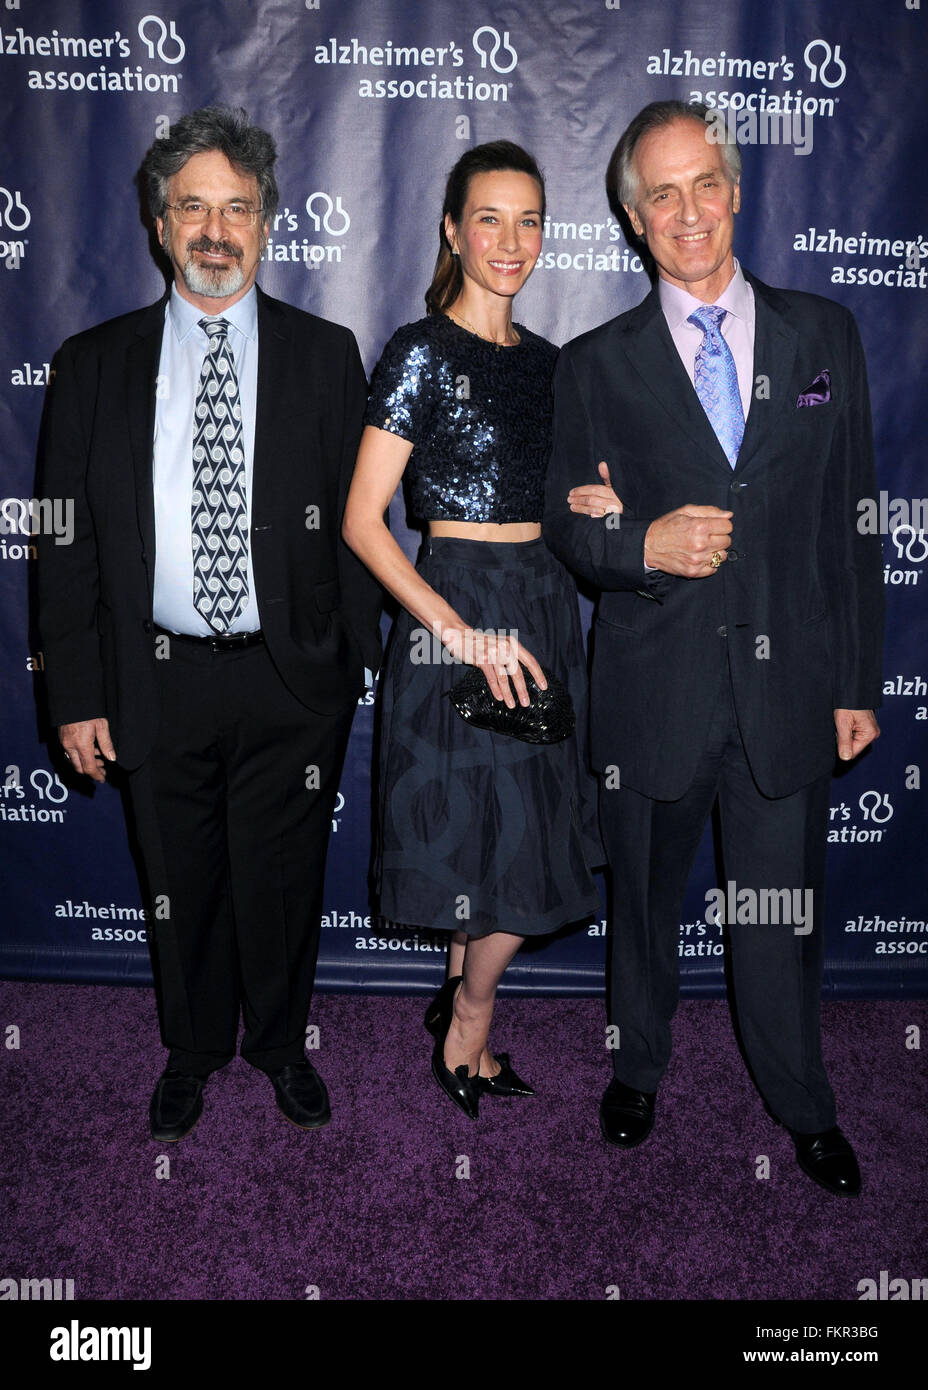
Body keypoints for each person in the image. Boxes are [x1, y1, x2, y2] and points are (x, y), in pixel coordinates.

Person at [544, 101, 884, 1194]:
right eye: (660, 195)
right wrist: (638, 537)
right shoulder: (595, 363)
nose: (686, 212)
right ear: (633, 219)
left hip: (787, 693)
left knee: (779, 920)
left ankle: (802, 1103)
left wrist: (857, 680)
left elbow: (851, 516)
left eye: (703, 184)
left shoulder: (820, 336)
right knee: (641, 907)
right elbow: (569, 522)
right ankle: (636, 1067)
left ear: (733, 191)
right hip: (654, 691)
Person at [36, 105, 382, 1142]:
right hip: (156, 673)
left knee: (282, 879)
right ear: (158, 223)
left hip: (288, 676)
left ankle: (280, 1043)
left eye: (237, 207)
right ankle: (192, 1048)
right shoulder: (93, 362)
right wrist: (78, 693)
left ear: (268, 223)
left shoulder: (327, 355)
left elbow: (355, 528)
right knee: (177, 879)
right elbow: (66, 545)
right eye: (194, 207)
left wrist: (347, 665)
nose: (216, 229)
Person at [343, 141, 612, 1120]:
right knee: (489, 844)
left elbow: (567, 502)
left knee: (527, 839)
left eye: (528, 218)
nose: (510, 240)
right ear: (452, 231)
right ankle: (469, 1016)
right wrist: (457, 633)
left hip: (540, 604)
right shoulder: (419, 352)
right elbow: (362, 520)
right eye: (487, 218)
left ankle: (462, 996)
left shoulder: (551, 365)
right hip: (451, 605)